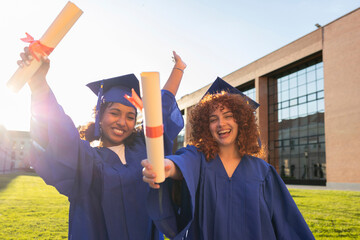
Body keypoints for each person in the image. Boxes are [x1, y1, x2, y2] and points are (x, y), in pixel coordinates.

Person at [18, 47, 186, 239]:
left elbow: (160, 108)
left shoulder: (144, 147)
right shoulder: (86, 159)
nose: (122, 122)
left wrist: (178, 69)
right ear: (100, 115)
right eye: (115, 113)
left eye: (130, 116)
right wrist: (39, 85)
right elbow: (59, 131)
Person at [142, 77, 315, 240]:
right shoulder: (199, 160)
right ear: (205, 127)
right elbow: (181, 165)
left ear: (241, 121)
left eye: (228, 116)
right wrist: (167, 166)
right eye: (213, 119)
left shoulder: (263, 172)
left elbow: (288, 221)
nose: (221, 124)